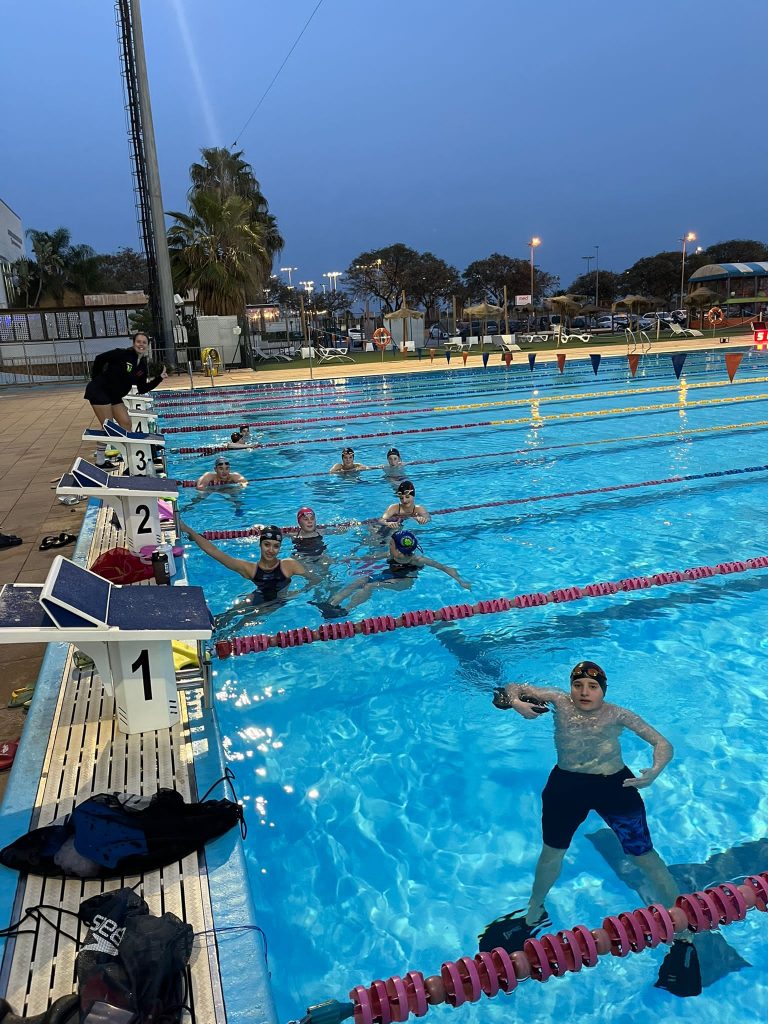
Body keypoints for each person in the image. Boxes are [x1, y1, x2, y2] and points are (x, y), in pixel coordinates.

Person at [486, 660, 700, 997]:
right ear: (570, 687)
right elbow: (513, 687)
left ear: (603, 690)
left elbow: (663, 744)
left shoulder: (617, 714)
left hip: (615, 786)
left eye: (593, 687)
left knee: (644, 857)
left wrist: (654, 772)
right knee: (550, 854)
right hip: (566, 787)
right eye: (579, 685)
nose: (584, 692)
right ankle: (533, 915)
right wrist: (516, 703)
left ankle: (684, 934)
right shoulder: (558, 700)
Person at [179, 521, 316, 629]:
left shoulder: (289, 565)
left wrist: (297, 594)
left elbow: (315, 579)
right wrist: (187, 529)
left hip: (275, 603)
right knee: (225, 616)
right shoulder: (250, 569)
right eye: (267, 544)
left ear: (280, 548)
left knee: (241, 624)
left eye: (276, 546)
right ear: (260, 544)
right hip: (257, 597)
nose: (271, 550)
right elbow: (215, 552)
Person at [318, 529, 470, 616]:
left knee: (370, 586)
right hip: (389, 575)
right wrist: (352, 558)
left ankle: (346, 610)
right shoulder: (391, 555)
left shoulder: (417, 560)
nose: (388, 545)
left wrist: (461, 581)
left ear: (398, 549)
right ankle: (331, 604)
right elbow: (371, 557)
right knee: (361, 580)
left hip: (404, 581)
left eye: (390, 544)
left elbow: (445, 568)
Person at [84, 332, 167, 467]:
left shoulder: (142, 365)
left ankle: (131, 461)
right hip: (100, 391)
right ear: (133, 343)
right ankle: (100, 461)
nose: (141, 345)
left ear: (147, 345)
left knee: (126, 423)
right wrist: (96, 378)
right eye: (138, 342)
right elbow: (100, 358)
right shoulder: (121, 354)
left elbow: (142, 389)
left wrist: (159, 378)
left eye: (144, 342)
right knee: (108, 426)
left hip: (114, 395)